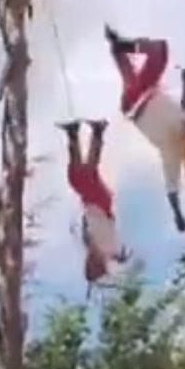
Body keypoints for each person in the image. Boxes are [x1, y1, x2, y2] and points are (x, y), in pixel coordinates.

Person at [105, 27, 185, 233]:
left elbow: (172, 191)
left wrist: (178, 215)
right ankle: (117, 45)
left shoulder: (173, 156)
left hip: (137, 102)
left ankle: (120, 46)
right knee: (143, 64)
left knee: (157, 54)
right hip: (140, 97)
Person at [60, 119, 128, 285]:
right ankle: (86, 132)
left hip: (94, 202)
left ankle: (79, 133)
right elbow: (115, 254)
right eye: (90, 265)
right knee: (82, 176)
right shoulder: (107, 250)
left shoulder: (92, 247)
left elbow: (83, 230)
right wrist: (118, 259)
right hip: (100, 203)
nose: (88, 261)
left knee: (81, 175)